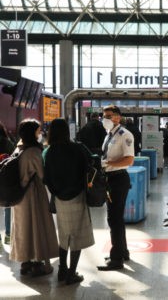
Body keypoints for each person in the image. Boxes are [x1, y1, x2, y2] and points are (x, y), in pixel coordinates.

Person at [43, 118, 95, 284]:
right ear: (67, 131)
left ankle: (62, 270)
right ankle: (72, 273)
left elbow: (47, 178)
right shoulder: (77, 148)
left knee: (64, 234)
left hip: (59, 198)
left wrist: (56, 192)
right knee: (77, 236)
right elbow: (90, 164)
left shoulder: (49, 152)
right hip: (77, 196)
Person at [10, 118, 59, 277]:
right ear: (32, 133)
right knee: (37, 226)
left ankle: (25, 263)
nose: (40, 133)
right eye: (38, 131)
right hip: (33, 194)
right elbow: (42, 174)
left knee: (22, 228)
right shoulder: (34, 152)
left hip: (18, 195)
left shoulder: (18, 148)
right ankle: (38, 264)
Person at [97, 105, 134, 271]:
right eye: (104, 116)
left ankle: (116, 259)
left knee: (114, 219)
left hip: (118, 180)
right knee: (117, 218)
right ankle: (122, 251)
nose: (105, 119)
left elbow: (129, 160)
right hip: (110, 179)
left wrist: (108, 164)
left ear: (118, 117)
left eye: (109, 116)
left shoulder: (124, 135)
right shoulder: (109, 135)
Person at [0, 121, 14, 245]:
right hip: (5, 179)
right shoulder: (7, 142)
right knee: (7, 207)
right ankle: (8, 235)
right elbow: (15, 158)